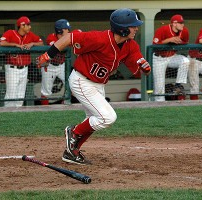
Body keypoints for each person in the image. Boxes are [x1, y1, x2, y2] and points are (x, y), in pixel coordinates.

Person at [37, 8, 151, 165]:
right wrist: (48, 55)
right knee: (108, 117)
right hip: (81, 80)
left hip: (98, 85)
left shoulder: (130, 45)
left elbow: (138, 62)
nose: (136, 28)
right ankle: (73, 132)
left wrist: (144, 66)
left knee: (92, 120)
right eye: (133, 26)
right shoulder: (100, 38)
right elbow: (69, 37)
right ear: (122, 28)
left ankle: (72, 152)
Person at [0, 16, 43, 107]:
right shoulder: (10, 33)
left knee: (21, 94)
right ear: (22, 25)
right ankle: (7, 114)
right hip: (12, 68)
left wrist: (33, 43)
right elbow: (2, 43)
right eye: (28, 25)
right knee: (11, 94)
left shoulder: (30, 35)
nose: (30, 27)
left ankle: (18, 114)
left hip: (24, 68)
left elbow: (41, 43)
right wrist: (16, 45)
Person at [152, 14, 190, 101]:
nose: (182, 25)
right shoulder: (162, 30)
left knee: (185, 61)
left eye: (183, 23)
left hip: (172, 57)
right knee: (159, 87)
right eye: (180, 23)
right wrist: (169, 40)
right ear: (174, 23)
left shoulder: (184, 31)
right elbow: (154, 45)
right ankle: (160, 105)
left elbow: (185, 42)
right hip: (159, 58)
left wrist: (178, 42)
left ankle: (178, 84)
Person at [40, 19, 73, 105]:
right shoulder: (51, 37)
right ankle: (45, 110)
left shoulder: (68, 37)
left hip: (61, 65)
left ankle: (64, 103)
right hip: (49, 66)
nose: (68, 31)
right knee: (46, 91)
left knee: (72, 85)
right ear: (60, 31)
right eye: (66, 29)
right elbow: (58, 47)